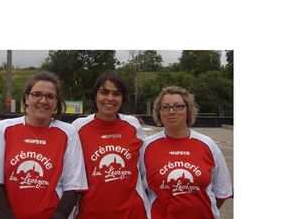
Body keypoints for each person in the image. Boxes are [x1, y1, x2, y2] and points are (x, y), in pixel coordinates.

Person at [0, 71, 88, 219]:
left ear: (56, 102)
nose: (43, 101)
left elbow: (73, 185)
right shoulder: (3, 128)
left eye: (50, 96)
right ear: (26, 98)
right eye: (37, 94)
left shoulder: (68, 132)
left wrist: (59, 216)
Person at [141, 86, 233, 219]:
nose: (171, 111)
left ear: (188, 110)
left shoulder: (208, 144)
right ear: (159, 112)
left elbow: (222, 191)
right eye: (165, 107)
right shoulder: (147, 146)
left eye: (178, 106)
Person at [72, 70, 149, 219]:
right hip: (90, 213)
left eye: (116, 94)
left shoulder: (133, 125)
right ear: (95, 96)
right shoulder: (78, 127)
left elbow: (146, 166)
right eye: (104, 92)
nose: (110, 98)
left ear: (122, 98)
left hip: (133, 213)